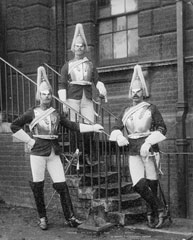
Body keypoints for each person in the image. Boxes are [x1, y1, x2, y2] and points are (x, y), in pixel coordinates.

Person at [10, 66, 104, 231]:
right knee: (38, 186)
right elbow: (14, 126)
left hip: (54, 152)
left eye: (49, 94)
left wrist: (93, 127)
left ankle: (71, 217)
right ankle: (42, 217)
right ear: (39, 95)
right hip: (38, 152)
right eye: (43, 94)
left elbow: (72, 125)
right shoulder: (32, 112)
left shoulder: (57, 113)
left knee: (61, 185)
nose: (46, 97)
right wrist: (28, 140)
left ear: (51, 95)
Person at [109, 64, 167, 229]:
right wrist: (119, 136)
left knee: (152, 184)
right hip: (133, 150)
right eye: (133, 91)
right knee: (138, 185)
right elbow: (114, 128)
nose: (135, 94)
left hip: (149, 150)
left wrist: (149, 142)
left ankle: (152, 213)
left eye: (138, 91)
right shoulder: (125, 110)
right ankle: (161, 209)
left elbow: (162, 128)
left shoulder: (151, 108)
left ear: (143, 92)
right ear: (130, 92)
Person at [58, 23, 107, 123]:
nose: (79, 48)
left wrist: (102, 90)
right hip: (72, 97)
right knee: (73, 123)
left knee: (89, 122)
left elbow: (97, 80)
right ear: (73, 48)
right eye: (77, 46)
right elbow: (62, 84)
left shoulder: (90, 65)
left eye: (81, 46)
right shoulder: (67, 65)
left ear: (84, 48)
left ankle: (88, 139)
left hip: (87, 97)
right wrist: (63, 102)